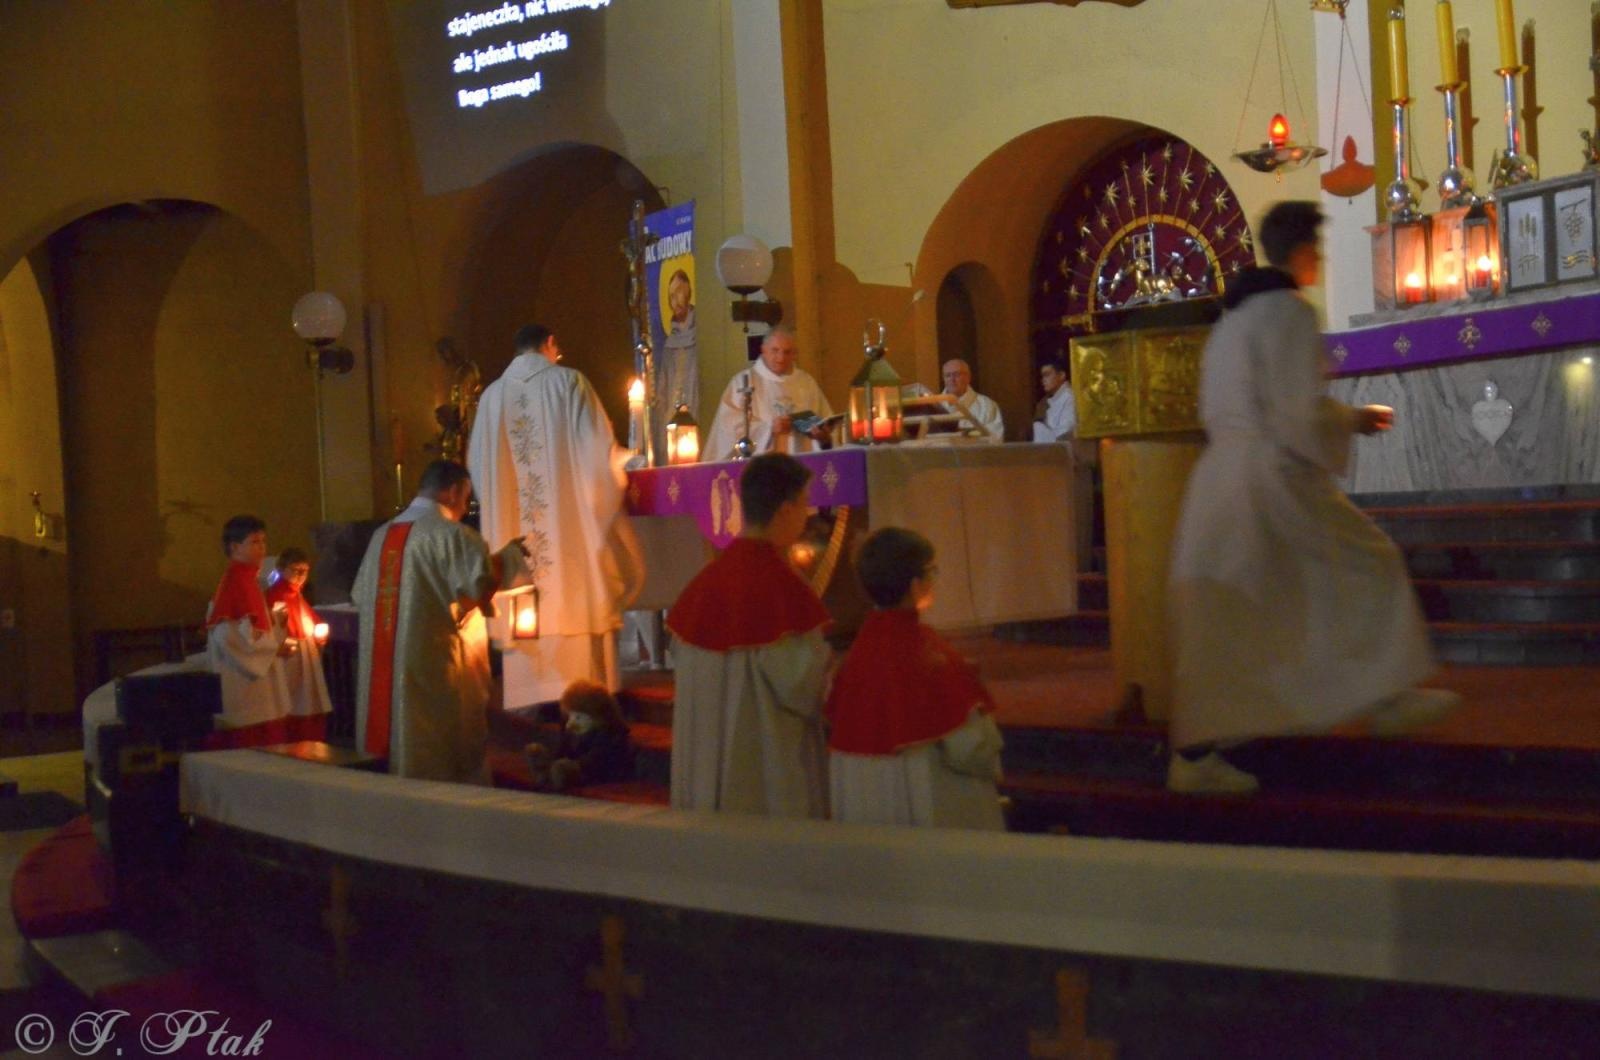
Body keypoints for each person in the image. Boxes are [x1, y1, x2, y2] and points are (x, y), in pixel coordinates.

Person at [1166, 201, 1460, 795]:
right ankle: (1385, 698)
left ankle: (1198, 755)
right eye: (1319, 250)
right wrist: (1350, 420)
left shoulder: (1230, 322)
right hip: (1273, 478)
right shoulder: (1288, 314)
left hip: (1219, 480)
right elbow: (1298, 411)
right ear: (1303, 252)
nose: (1321, 260)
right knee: (1367, 563)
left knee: (1234, 613)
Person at [467, 324, 644, 709]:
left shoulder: (492, 396)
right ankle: (586, 704)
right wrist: (624, 464)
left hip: (514, 542)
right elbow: (596, 456)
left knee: (525, 592)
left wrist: (503, 506)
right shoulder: (569, 383)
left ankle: (532, 698)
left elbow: (478, 466)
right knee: (576, 584)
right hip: (569, 538)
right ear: (549, 344)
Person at [666, 453, 831, 817]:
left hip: (704, 770)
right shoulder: (781, 590)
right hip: (761, 777)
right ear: (785, 510)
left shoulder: (702, 586)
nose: (807, 514)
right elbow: (802, 687)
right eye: (804, 503)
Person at [352, 460, 530, 783]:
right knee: (441, 747)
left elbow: (359, 595)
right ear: (452, 491)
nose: (464, 508)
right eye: (465, 499)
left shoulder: (380, 536)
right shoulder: (452, 534)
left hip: (383, 665)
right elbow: (478, 585)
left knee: (391, 741)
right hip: (433, 664)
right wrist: (510, 556)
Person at [826, 528, 1006, 830]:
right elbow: (971, 748)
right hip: (930, 804)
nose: (935, 579)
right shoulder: (930, 656)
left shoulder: (855, 657)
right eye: (931, 571)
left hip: (867, 808)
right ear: (915, 585)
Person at [204, 515, 294, 746]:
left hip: (258, 680)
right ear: (235, 547)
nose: (263, 548)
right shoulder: (236, 583)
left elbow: (248, 626)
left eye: (264, 541)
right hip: (245, 685)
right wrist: (273, 649)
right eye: (255, 542)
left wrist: (274, 620)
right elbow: (227, 635)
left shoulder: (246, 579)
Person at [702, 326, 833, 462]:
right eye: (775, 351)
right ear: (763, 350)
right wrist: (769, 429)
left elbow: (826, 424)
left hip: (801, 465)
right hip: (761, 467)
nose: (781, 358)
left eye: (787, 352)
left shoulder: (806, 382)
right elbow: (728, 428)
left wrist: (823, 436)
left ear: (794, 354)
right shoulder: (743, 382)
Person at [264, 547, 333, 741]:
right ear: (282, 569)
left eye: (305, 570)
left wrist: (319, 634)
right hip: (290, 656)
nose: (301, 575)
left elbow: (310, 620)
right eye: (295, 570)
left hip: (305, 652)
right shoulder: (274, 595)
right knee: (293, 699)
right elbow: (273, 627)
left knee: (307, 699)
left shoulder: (297, 594)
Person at [525, 680, 636, 792]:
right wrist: (557, 760)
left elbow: (596, 760)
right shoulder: (573, 731)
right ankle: (546, 771)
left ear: (597, 717)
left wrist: (573, 767)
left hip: (599, 773)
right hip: (577, 767)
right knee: (559, 765)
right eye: (570, 716)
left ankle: (558, 774)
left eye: (578, 717)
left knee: (565, 769)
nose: (571, 722)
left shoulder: (611, 735)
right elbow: (564, 750)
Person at [939, 358, 1004, 442]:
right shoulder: (934, 406)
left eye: (956, 374)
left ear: (968, 377)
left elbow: (996, 438)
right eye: (948, 375)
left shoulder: (987, 405)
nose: (952, 380)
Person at [1031, 357, 1077, 442]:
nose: (1043, 380)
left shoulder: (1070, 398)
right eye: (1042, 376)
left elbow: (1065, 432)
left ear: (1062, 375)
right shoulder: (1046, 401)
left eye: (1047, 375)